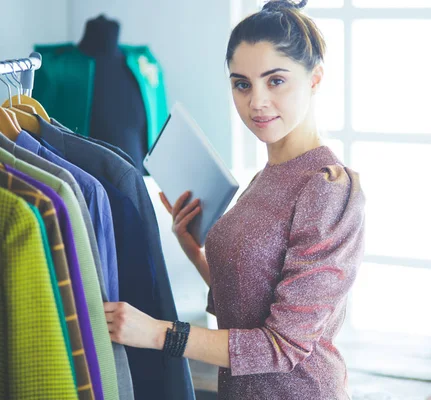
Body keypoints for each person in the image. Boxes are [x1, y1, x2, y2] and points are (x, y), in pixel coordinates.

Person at [103, 0, 365, 398]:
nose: (256, 101)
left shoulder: (328, 189)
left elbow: (283, 346)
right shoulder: (266, 176)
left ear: (315, 78)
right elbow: (252, 300)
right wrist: (194, 251)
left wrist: (157, 334)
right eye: (242, 84)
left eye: (275, 81)